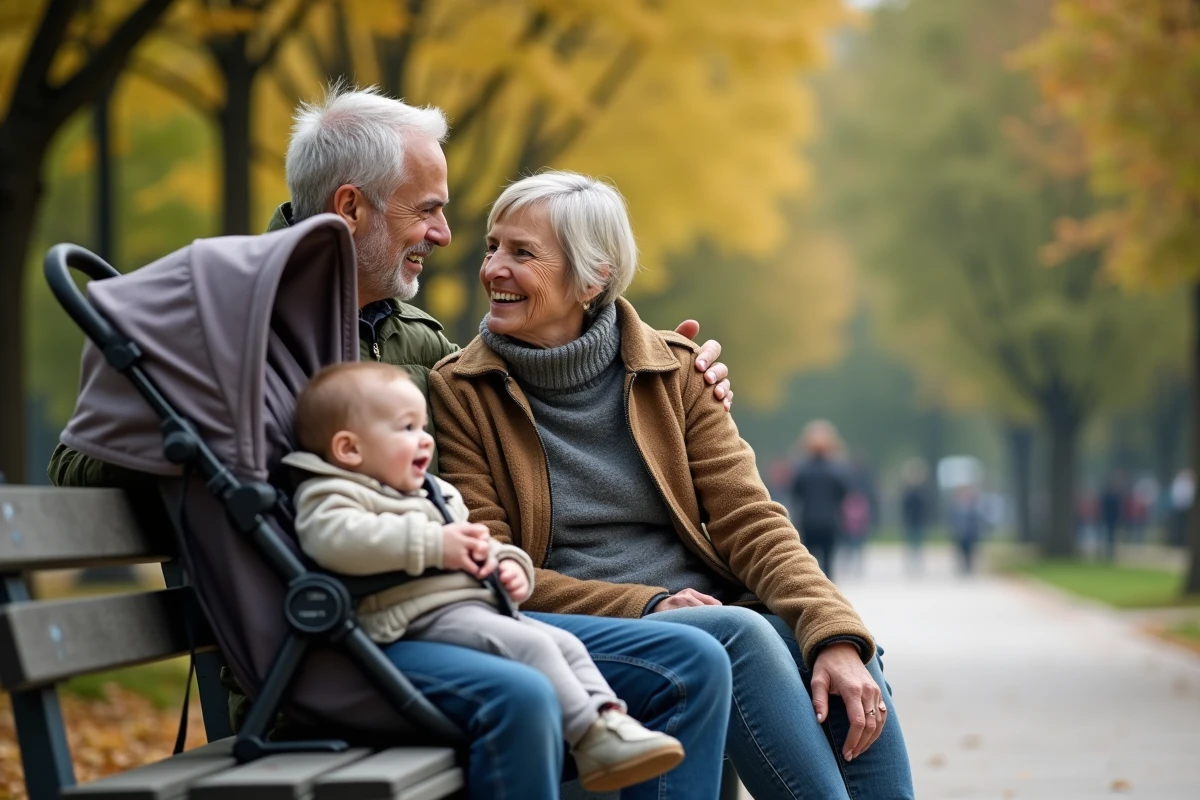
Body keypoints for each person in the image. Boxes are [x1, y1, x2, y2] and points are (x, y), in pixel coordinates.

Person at [48, 85, 735, 800]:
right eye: (428, 209)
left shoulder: (420, 340)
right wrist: (183, 426)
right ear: (351, 208)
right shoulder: (225, 334)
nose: (444, 234)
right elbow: (76, 474)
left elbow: (553, 408)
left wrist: (672, 374)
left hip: (457, 611)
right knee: (531, 693)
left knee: (698, 660)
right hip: (336, 642)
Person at [430, 171, 915, 800]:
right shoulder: (460, 391)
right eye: (493, 246)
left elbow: (751, 520)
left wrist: (835, 632)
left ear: (593, 277)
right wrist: (648, 605)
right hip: (580, 621)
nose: (493, 267)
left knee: (845, 657)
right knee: (741, 635)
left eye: (522, 253)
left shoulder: (675, 371)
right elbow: (493, 563)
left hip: (708, 613)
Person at [285, 362, 684, 791]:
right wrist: (435, 546)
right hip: (409, 618)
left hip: (469, 609)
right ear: (349, 450)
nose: (424, 440)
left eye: (423, 427)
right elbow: (336, 541)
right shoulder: (333, 493)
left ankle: (611, 720)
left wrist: (509, 566)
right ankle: (589, 737)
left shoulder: (435, 494)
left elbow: (480, 543)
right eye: (405, 429)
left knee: (564, 644)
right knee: (532, 646)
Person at [789, 420, 850, 579]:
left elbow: (796, 493)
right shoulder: (837, 470)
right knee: (828, 564)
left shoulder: (802, 469)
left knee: (810, 565)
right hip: (830, 522)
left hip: (808, 522)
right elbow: (843, 493)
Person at [899, 458, 929, 574]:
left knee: (918, 543)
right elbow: (905, 507)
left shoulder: (922, 489)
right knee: (911, 543)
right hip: (911, 520)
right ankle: (911, 564)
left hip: (918, 519)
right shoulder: (908, 490)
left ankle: (917, 564)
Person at [949, 484, 986, 575]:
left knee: (970, 550)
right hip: (960, 532)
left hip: (971, 533)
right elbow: (953, 520)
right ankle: (963, 565)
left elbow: (978, 520)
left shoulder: (974, 507)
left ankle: (969, 565)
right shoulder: (956, 507)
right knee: (961, 549)